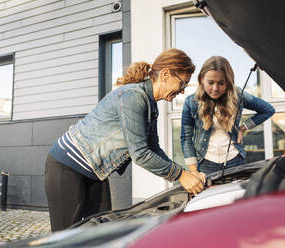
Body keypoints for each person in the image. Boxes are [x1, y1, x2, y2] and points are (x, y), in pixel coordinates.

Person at [45, 48, 206, 232]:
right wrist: (181, 176)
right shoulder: (133, 96)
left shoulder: (151, 105)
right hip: (67, 165)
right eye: (182, 83)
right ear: (166, 74)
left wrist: (185, 175)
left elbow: (153, 148)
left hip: (96, 172)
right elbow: (140, 154)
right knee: (64, 237)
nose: (183, 91)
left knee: (101, 233)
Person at [181, 56, 275, 175]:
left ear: (228, 83)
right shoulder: (191, 102)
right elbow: (186, 138)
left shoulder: (237, 95)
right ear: (201, 79)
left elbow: (268, 110)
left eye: (221, 83)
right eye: (210, 83)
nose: (215, 88)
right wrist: (194, 171)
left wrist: (243, 127)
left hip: (235, 161)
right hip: (205, 164)